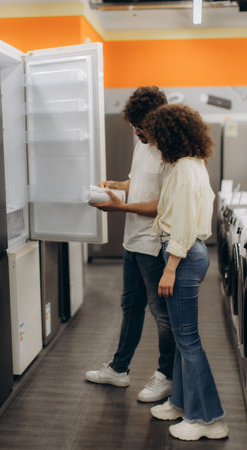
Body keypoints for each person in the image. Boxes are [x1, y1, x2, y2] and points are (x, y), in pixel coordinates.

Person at [141, 103, 228, 441]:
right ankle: (181, 402)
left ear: (169, 137)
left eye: (157, 139)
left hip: (184, 256)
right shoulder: (189, 165)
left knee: (188, 340)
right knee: (181, 338)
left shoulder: (185, 171)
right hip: (186, 255)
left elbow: (184, 223)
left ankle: (209, 418)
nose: (156, 146)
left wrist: (171, 267)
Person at [85, 86, 175, 403]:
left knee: (162, 315)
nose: (137, 133)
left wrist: (121, 208)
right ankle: (119, 369)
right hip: (132, 241)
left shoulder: (171, 153)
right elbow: (137, 184)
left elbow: (164, 204)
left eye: (142, 127)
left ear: (158, 120)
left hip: (155, 245)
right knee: (130, 308)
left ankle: (167, 376)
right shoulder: (142, 145)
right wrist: (115, 186)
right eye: (133, 127)